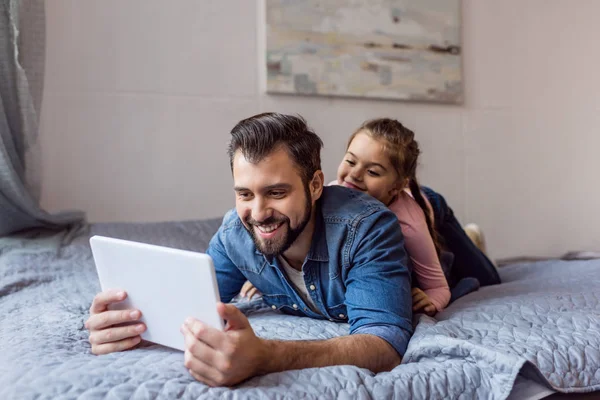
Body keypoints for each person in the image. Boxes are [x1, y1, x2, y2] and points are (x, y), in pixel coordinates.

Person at [85, 113, 413, 387]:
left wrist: (267, 357)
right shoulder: (235, 234)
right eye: (244, 194)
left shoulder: (367, 227)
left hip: (430, 246)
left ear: (315, 186)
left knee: (435, 216)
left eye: (276, 192)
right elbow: (186, 304)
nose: (258, 213)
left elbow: (384, 344)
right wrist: (132, 324)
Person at [334, 118, 500, 304]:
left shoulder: (409, 224)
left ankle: (472, 238)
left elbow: (438, 287)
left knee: (488, 280)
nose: (354, 174)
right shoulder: (331, 197)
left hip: (432, 207)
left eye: (372, 172)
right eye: (350, 161)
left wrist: (432, 300)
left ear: (396, 186)